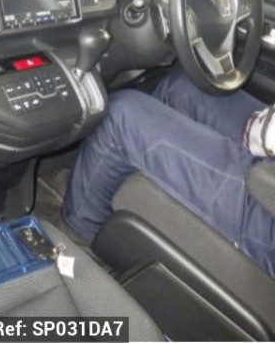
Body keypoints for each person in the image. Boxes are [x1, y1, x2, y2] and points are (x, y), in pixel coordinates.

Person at [62, 68, 275, 278]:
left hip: (265, 208)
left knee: (119, 118)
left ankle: (78, 235)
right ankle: (124, 180)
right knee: (181, 86)